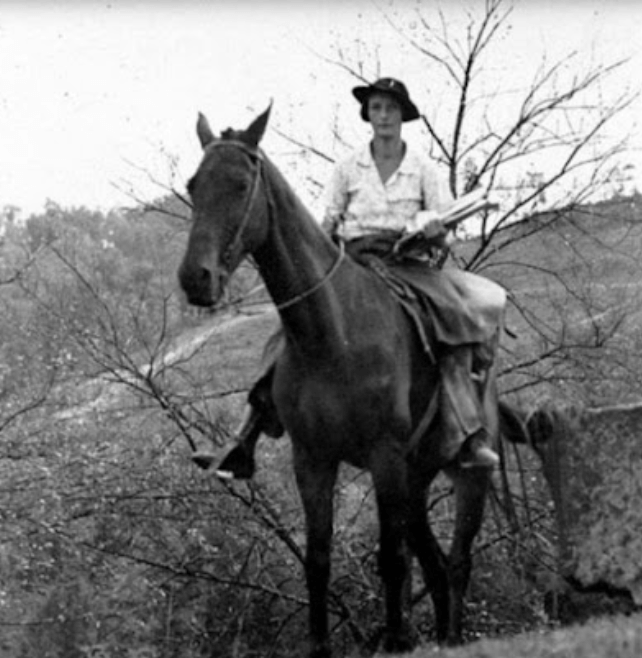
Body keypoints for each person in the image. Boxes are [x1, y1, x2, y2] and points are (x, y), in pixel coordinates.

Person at [202, 77, 506, 479]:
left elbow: (445, 223)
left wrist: (434, 232)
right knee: (293, 328)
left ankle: (467, 431)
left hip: (408, 264)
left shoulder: (423, 169)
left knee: (452, 319)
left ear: (402, 117)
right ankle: (244, 439)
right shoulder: (348, 167)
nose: (383, 116)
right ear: (368, 115)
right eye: (377, 108)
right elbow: (329, 219)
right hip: (354, 261)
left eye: (391, 109)